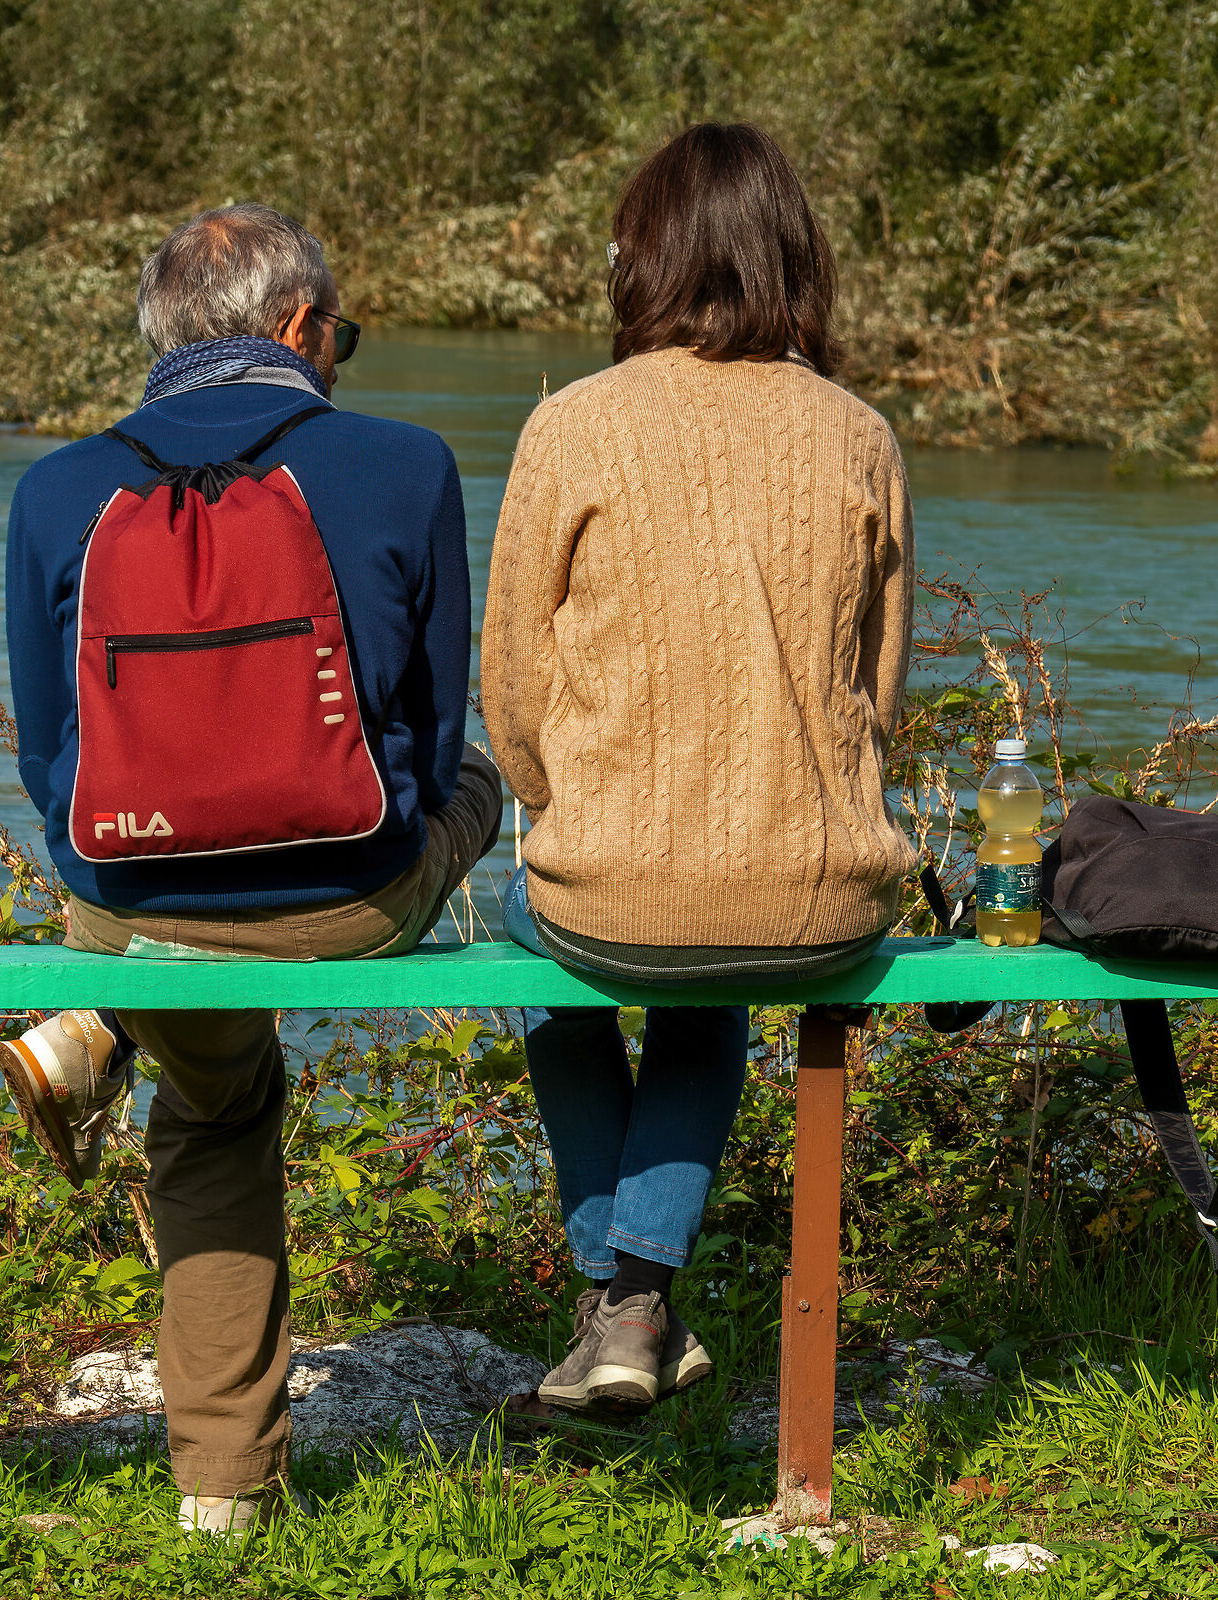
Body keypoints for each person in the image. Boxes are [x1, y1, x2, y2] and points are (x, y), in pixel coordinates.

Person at [0, 203, 501, 1533]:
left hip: (127, 894)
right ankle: (122, 1008)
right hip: (347, 898)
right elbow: (435, 738)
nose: (341, 356)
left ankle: (221, 1496)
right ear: (296, 328)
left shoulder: (55, 490)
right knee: (487, 782)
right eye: (341, 334)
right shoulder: (407, 464)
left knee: (215, 1098)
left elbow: (53, 761)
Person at [480, 123, 916, 1413]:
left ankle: (620, 1299)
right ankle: (638, 1305)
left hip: (607, 885)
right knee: (715, 966)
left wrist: (572, 812)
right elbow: (876, 698)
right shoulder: (861, 437)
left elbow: (513, 690)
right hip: (821, 895)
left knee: (541, 947)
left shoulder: (574, 426)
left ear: (647, 257)